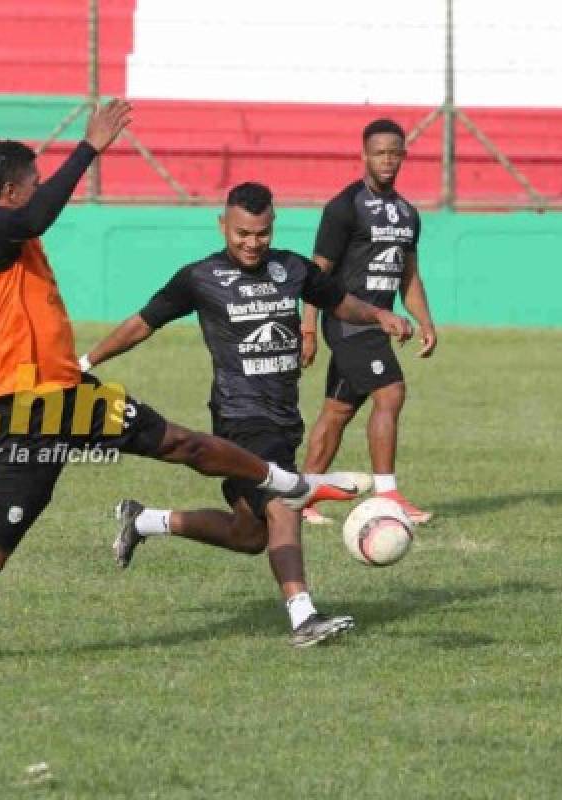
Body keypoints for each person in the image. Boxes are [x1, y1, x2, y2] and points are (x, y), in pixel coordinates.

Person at [0, 100, 358, 665]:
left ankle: (285, 484)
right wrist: (90, 147)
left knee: (182, 443)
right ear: (12, 192)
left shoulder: (8, 235)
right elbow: (34, 217)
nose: (39, 191)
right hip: (31, 412)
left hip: (71, 396)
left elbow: (33, 222)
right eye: (33, 184)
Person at [79, 181, 412, 647]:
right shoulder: (200, 277)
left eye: (261, 233)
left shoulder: (293, 268)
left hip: (283, 418)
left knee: (249, 535)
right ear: (223, 226)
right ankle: (303, 616)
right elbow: (142, 323)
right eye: (241, 234)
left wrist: (378, 315)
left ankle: (144, 520)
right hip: (239, 417)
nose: (252, 243)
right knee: (284, 502)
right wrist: (85, 364)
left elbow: (339, 302)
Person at [299, 118, 437, 525]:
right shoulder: (344, 207)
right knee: (390, 392)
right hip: (347, 322)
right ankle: (389, 497)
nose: (387, 160)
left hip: (380, 324)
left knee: (337, 411)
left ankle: (302, 497)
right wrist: (308, 329)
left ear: (404, 156)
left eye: (395, 153)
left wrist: (426, 322)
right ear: (364, 155)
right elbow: (316, 273)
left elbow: (407, 276)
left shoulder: (407, 214)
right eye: (379, 152)